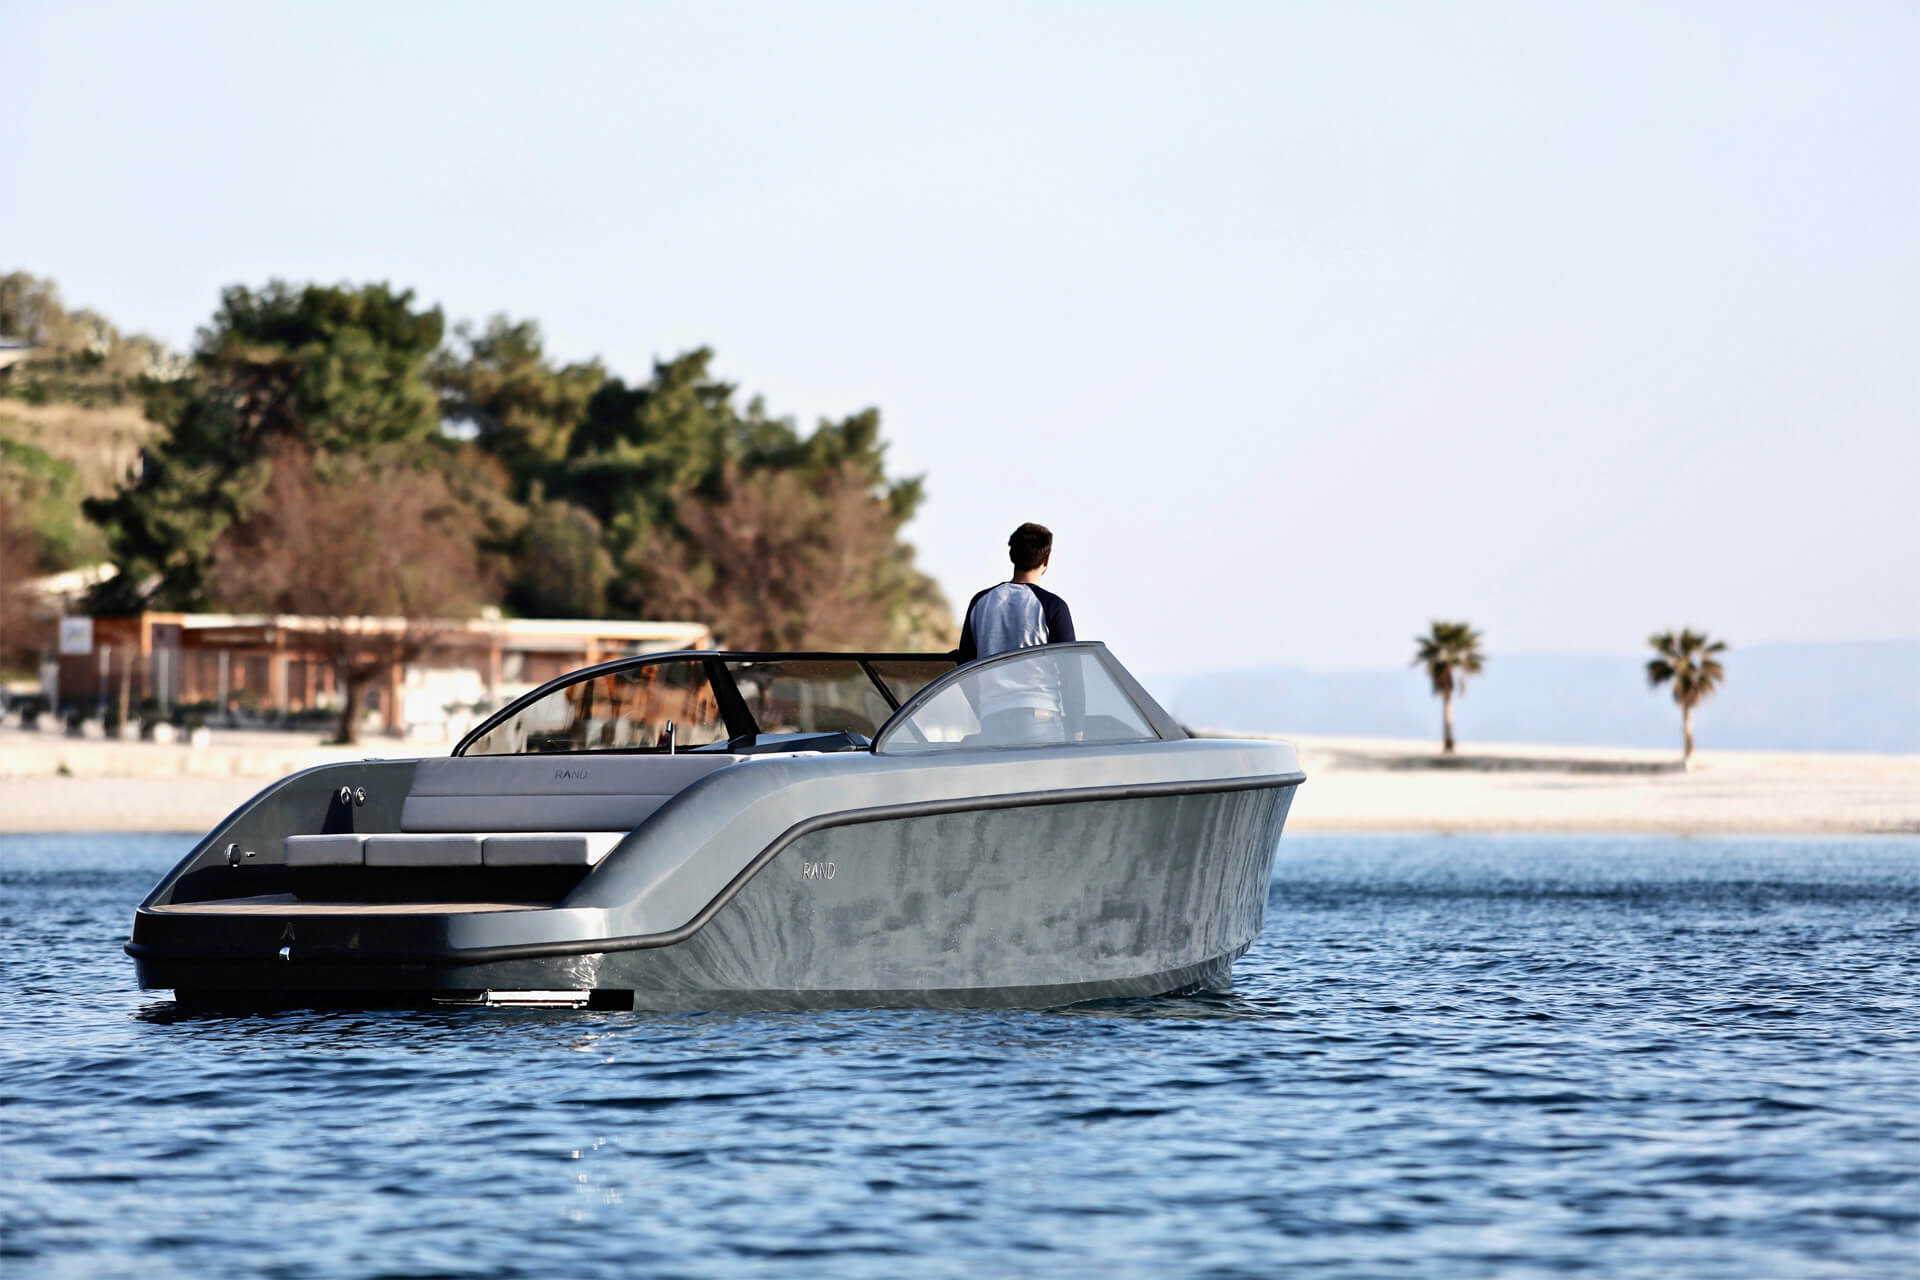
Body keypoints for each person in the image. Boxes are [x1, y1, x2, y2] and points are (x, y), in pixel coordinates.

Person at [953, 522, 1081, 744]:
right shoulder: (1052, 606)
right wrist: (1077, 728)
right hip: (1039, 719)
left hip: (993, 718)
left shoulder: (980, 602)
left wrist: (984, 709)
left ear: (1012, 556)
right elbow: (1071, 672)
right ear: (1047, 560)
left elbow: (965, 666)